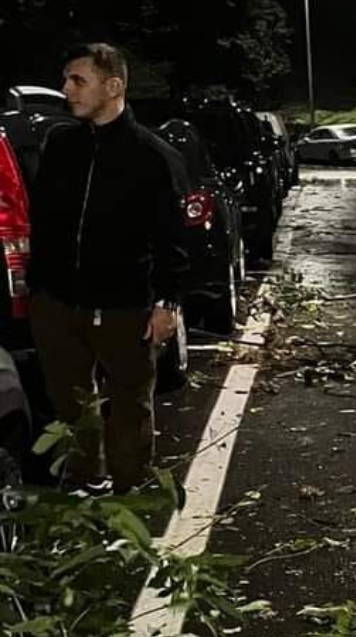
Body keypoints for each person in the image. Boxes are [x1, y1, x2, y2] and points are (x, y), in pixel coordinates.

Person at [26, 43, 189, 493]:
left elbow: (172, 239)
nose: (66, 90)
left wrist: (167, 302)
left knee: (131, 404)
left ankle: (129, 494)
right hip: (59, 303)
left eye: (78, 80)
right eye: (66, 79)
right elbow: (43, 219)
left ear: (113, 86)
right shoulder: (60, 144)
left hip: (123, 307)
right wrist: (38, 287)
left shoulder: (153, 156)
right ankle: (84, 486)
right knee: (72, 406)